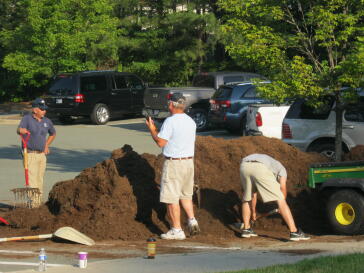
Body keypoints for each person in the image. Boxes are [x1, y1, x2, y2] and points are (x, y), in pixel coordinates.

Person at [145, 92, 200, 240]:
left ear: (171, 105)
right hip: (189, 163)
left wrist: (152, 129)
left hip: (174, 163)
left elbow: (161, 143)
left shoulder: (170, 121)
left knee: (171, 198)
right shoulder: (191, 121)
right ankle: (192, 220)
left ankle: (177, 230)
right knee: (186, 195)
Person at [239, 153, 310, 241]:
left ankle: (246, 229)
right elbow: (282, 188)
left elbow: (253, 195)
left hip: (244, 165)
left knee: (247, 198)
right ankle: (294, 232)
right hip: (260, 167)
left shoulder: (269, 162)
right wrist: (281, 206)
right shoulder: (282, 170)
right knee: (280, 199)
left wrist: (253, 212)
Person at [17, 98, 56, 205]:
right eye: (42, 109)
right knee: (32, 181)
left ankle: (37, 204)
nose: (44, 111)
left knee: (39, 180)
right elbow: (19, 129)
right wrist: (21, 130)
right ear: (35, 110)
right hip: (30, 154)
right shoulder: (27, 119)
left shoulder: (47, 121)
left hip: (42, 155)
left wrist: (46, 145)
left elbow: (53, 133)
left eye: (45, 109)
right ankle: (33, 205)